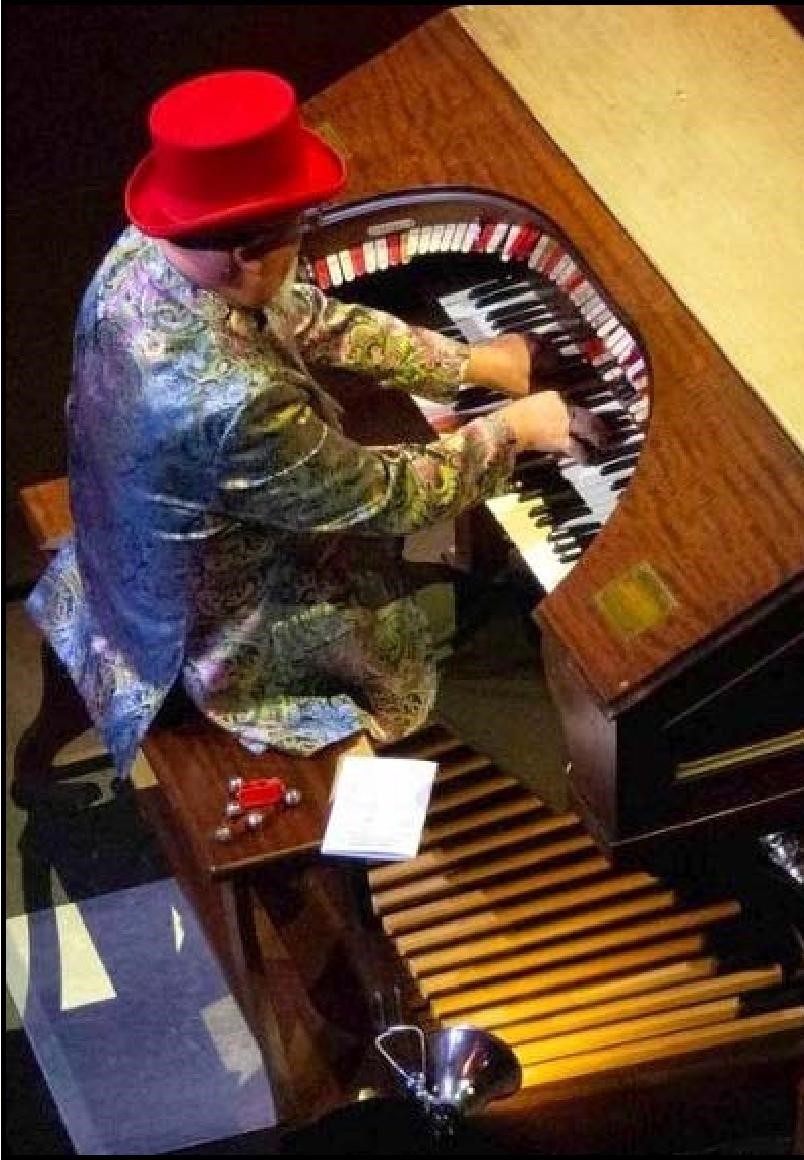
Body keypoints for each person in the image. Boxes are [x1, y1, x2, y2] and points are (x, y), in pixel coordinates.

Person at [26, 69, 605, 780]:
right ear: (247, 251)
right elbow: (388, 498)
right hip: (222, 634)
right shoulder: (234, 399)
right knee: (501, 644)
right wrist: (516, 429)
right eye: (302, 227)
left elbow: (308, 315)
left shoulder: (148, 249)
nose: (305, 240)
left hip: (130, 550)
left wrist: (474, 365)